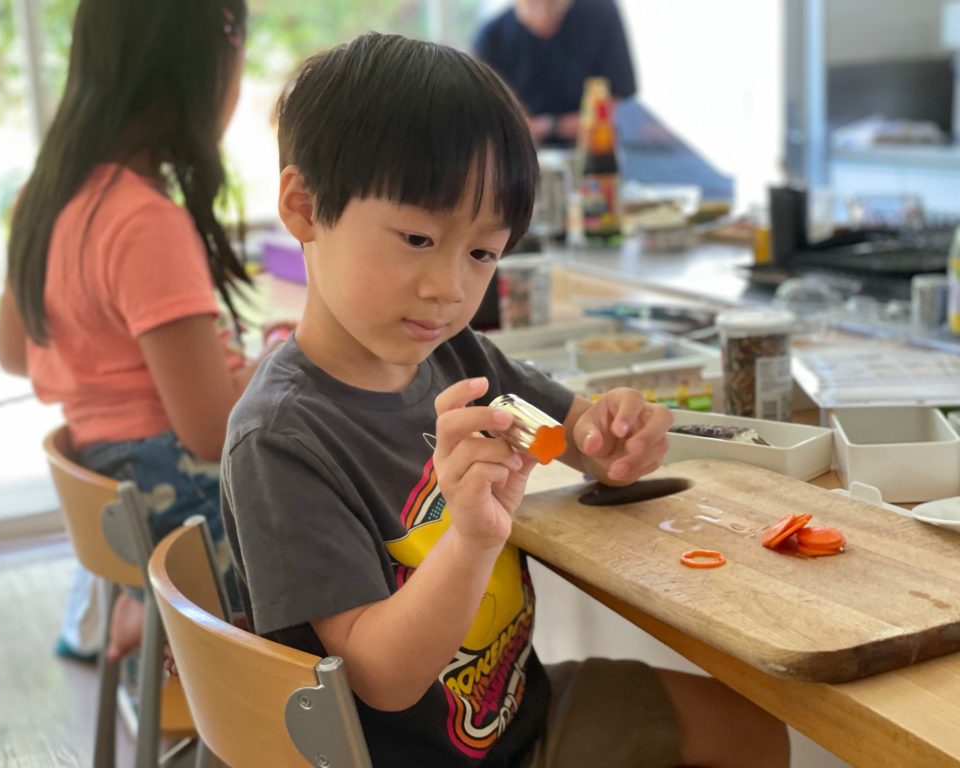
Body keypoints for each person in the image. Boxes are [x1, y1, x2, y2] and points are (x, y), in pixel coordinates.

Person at [221, 32, 789, 768]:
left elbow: (567, 438)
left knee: (750, 729)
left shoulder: (453, 355)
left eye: (482, 252)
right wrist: (471, 540)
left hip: (523, 712)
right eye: (419, 238)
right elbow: (384, 680)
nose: (449, 287)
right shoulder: (282, 439)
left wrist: (610, 435)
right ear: (303, 207)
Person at [0, 0, 265, 664]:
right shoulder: (144, 221)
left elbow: (13, 351)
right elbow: (207, 431)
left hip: (123, 501)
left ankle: (146, 613)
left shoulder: (45, 198)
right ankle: (165, 623)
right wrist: (276, 361)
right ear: (199, 67)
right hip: (182, 523)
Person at [474, 0, 637, 147]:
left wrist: (550, 127)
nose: (543, 15)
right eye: (533, 6)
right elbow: (498, 119)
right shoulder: (491, 37)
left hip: (591, 147)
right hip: (521, 151)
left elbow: (615, 97)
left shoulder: (602, 15)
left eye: (553, 5)